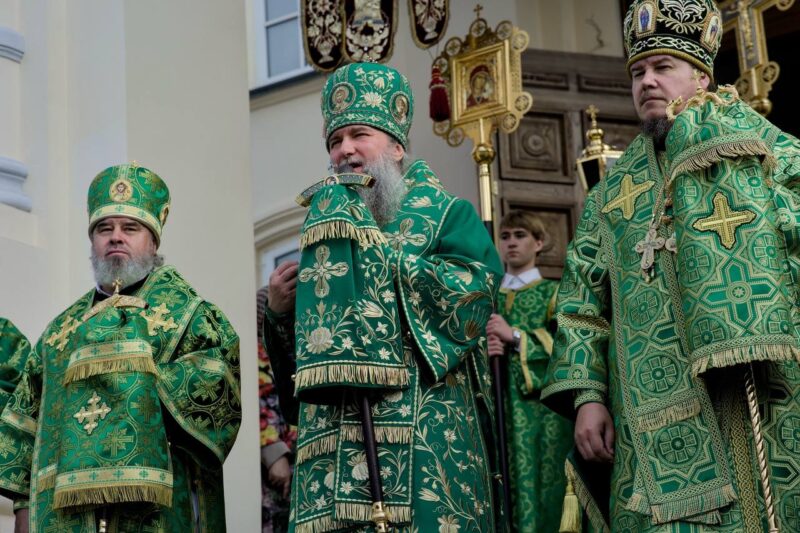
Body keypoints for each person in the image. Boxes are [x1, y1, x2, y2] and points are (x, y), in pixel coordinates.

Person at [542, 0, 800, 531]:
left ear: (702, 77)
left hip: (763, 395)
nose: (647, 82)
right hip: (651, 420)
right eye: (637, 72)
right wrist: (588, 397)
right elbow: (581, 303)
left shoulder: (768, 152)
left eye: (663, 67)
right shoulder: (611, 193)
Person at [264, 62, 504, 532]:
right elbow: (311, 360)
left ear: (396, 147)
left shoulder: (446, 213)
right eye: (335, 141)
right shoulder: (324, 226)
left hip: (422, 430)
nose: (345, 150)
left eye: (359, 135)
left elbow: (476, 294)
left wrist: (384, 262)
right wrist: (280, 312)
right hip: (332, 440)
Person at [0, 163, 241, 532]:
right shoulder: (58, 334)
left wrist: (138, 378)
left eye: (130, 228)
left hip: (156, 512)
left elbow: (219, 402)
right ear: (93, 242)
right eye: (104, 229)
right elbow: (26, 428)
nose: (115, 237)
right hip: (64, 518)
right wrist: (24, 511)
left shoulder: (192, 316)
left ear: (153, 241)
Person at [485, 211, 572, 532]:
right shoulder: (488, 296)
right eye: (505, 236)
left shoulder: (553, 293)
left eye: (520, 235)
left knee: (542, 483)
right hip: (496, 403)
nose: (511, 243)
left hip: (542, 412)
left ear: (539, 242)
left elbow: (567, 347)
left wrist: (515, 336)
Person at [257, 287, 295, 533]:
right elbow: (259, 403)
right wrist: (274, 454)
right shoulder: (254, 356)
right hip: (271, 467)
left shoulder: (288, 353)